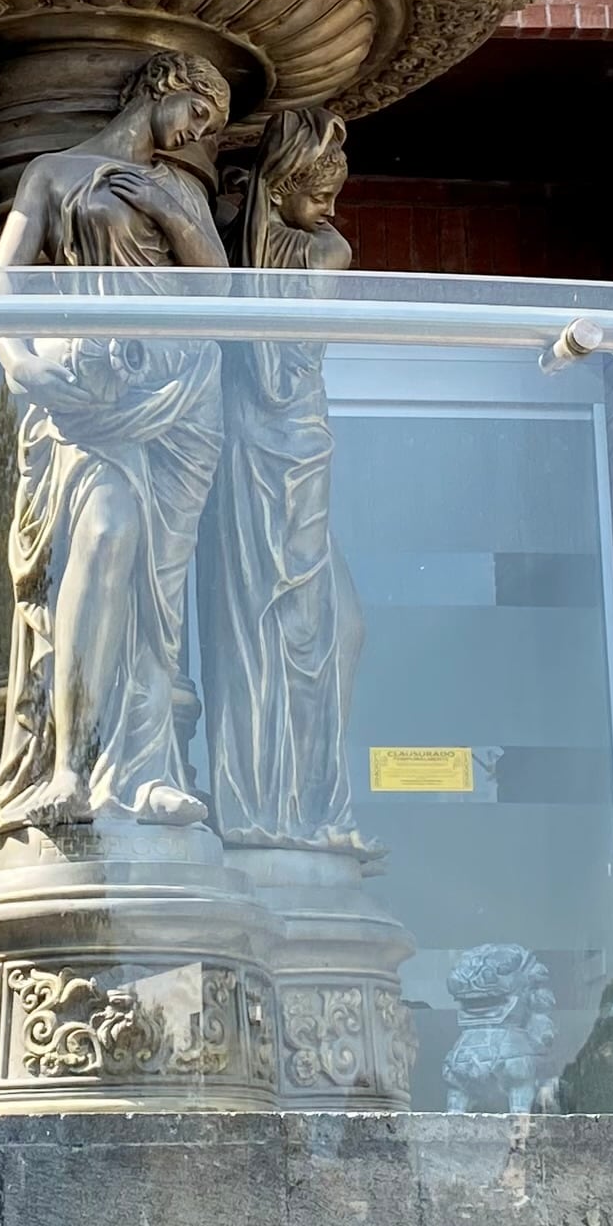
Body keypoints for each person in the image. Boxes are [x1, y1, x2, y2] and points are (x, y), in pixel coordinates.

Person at [0, 46, 234, 834]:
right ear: (163, 86)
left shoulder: (177, 188)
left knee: (159, 591)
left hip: (179, 399)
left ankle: (148, 769)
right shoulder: (54, 175)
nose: (198, 130)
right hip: (89, 398)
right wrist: (20, 367)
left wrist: (162, 206)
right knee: (104, 539)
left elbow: (220, 284)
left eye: (212, 125)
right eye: (197, 109)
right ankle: (69, 764)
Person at [204, 106, 372, 854]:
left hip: (295, 442)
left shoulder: (314, 251)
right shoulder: (279, 256)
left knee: (330, 627)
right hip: (264, 447)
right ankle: (272, 805)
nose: (333, 208)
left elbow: (272, 363)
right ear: (280, 189)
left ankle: (307, 799)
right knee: (270, 624)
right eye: (319, 188)